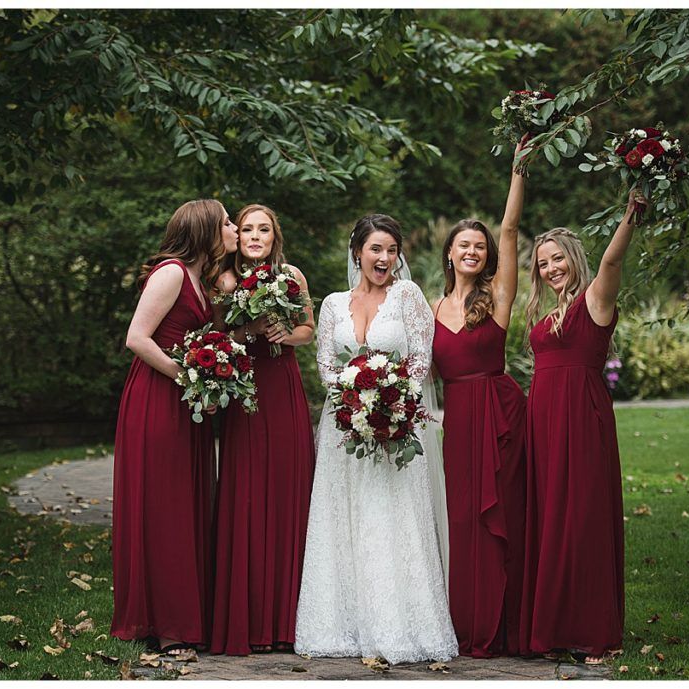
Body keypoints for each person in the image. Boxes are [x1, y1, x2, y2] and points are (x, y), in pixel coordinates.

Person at [294, 214, 457, 664]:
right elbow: (326, 365)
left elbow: (422, 360)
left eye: (391, 250)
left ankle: (401, 625)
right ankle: (339, 624)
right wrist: (353, 401)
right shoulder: (331, 304)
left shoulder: (407, 296)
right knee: (344, 517)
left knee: (392, 516)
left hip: (398, 424)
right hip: (342, 426)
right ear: (357, 253)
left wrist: (389, 402)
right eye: (375, 250)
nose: (384, 259)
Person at [521, 187, 646, 664]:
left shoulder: (595, 299)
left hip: (582, 416)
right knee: (553, 519)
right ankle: (555, 626)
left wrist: (630, 215)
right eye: (543, 263)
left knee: (585, 518)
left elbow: (612, 263)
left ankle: (595, 632)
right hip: (545, 420)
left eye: (558, 260)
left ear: (574, 259)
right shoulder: (547, 312)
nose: (551, 269)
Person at [110, 199, 239, 652]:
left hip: (188, 405)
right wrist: (186, 375)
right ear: (205, 229)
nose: (234, 226)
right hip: (157, 401)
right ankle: (162, 624)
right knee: (165, 506)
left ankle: (183, 617)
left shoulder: (204, 281)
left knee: (186, 505)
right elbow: (136, 338)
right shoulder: (171, 274)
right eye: (226, 221)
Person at [431, 140, 528, 657]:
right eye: (463, 245)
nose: (472, 251)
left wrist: (519, 166)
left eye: (480, 246)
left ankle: (504, 626)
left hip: (499, 413)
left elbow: (510, 229)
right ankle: (463, 622)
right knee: (462, 521)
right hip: (457, 423)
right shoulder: (429, 307)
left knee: (501, 520)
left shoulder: (499, 296)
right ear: (449, 252)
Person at [210, 204, 316, 655]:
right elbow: (216, 339)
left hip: (284, 386)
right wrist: (249, 328)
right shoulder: (225, 281)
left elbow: (308, 328)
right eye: (248, 228)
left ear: (275, 235)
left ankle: (289, 621)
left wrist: (285, 334)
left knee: (288, 490)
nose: (254, 236)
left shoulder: (292, 274)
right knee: (248, 493)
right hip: (248, 391)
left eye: (264, 229)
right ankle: (249, 619)